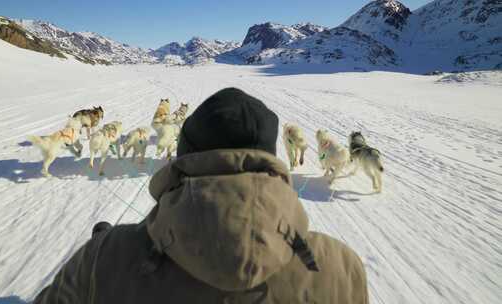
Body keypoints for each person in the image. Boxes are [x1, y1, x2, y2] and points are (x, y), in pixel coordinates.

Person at [33, 88, 369, 304]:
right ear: (269, 159)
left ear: (185, 156)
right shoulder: (341, 267)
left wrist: (112, 251)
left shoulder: (103, 256)